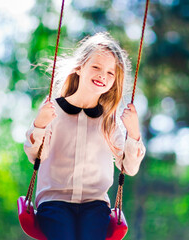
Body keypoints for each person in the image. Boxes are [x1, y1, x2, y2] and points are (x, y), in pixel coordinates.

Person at [24, 32, 146, 240]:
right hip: (54, 201)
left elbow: (129, 167)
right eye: (96, 67)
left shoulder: (109, 121)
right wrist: (40, 124)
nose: (103, 76)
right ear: (79, 67)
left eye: (110, 72)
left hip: (95, 205)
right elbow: (37, 156)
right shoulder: (54, 110)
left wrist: (133, 132)